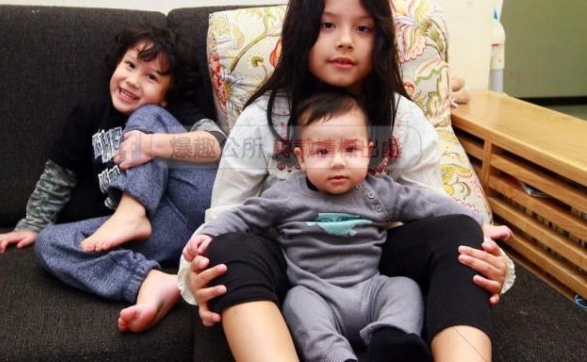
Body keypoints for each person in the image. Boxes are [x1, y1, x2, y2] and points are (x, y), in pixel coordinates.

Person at [178, 0, 514, 362]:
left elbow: (431, 211)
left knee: (456, 232)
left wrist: (483, 249)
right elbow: (225, 217)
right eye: (327, 25)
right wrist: (198, 269)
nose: (345, 40)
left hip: (374, 267)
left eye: (363, 28)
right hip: (292, 271)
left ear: (380, 38)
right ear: (301, 30)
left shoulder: (403, 120)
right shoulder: (261, 120)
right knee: (227, 245)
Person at [185, 90, 491, 361]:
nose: (338, 162)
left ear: (368, 152)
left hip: (371, 288)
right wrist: (209, 234)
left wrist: (477, 224)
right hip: (316, 293)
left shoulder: (379, 192)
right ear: (301, 158)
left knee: (404, 287)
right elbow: (243, 215)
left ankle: (393, 339)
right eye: (322, 152)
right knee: (297, 302)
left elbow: (430, 205)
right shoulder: (286, 196)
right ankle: (337, 356)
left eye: (350, 150)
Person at [0, 22, 224, 332]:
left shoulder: (171, 111)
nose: (133, 81)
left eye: (151, 77)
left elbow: (216, 146)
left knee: (145, 115)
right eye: (130, 65)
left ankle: (131, 213)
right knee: (50, 243)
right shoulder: (89, 115)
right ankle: (151, 282)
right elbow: (59, 176)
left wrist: (150, 144)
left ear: (167, 95)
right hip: (162, 234)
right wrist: (33, 224)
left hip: (191, 199)